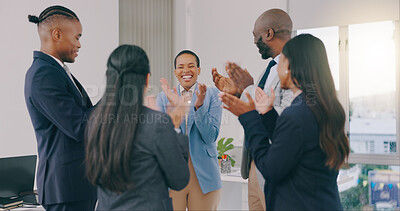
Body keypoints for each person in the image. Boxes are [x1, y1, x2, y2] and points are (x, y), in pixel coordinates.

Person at [219, 34, 350, 210]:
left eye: (281, 61)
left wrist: (249, 118)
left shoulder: (296, 114)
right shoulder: (321, 107)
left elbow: (270, 169)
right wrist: (267, 114)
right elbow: (293, 142)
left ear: (288, 66)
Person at [85, 45, 190, 210]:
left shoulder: (95, 121)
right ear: (147, 79)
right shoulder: (157, 123)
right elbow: (179, 180)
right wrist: (175, 124)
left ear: (110, 78)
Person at [212, 8, 293, 211]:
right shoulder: (271, 68)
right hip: (256, 165)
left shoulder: (293, 68)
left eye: (255, 36)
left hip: (276, 165)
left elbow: (283, 118)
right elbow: (258, 109)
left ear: (268, 33)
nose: (254, 42)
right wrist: (238, 93)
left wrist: (247, 87)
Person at [24, 5, 97, 211]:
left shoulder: (55, 71)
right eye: (77, 37)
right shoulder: (43, 74)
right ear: (57, 34)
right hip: (65, 189)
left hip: (75, 187)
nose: (79, 44)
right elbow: (80, 127)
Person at [156, 50, 222, 211]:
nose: (186, 70)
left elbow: (210, 136)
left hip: (204, 174)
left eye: (191, 66)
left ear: (199, 70)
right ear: (175, 72)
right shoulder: (163, 97)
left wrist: (198, 108)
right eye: (181, 67)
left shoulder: (212, 94)